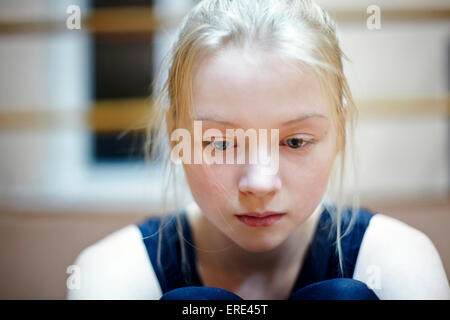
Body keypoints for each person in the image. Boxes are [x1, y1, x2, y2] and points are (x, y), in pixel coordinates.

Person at [67, 0, 449, 300]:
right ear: (175, 136)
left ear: (340, 132)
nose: (260, 183)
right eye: (221, 143)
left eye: (295, 142)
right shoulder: (116, 275)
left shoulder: (396, 264)